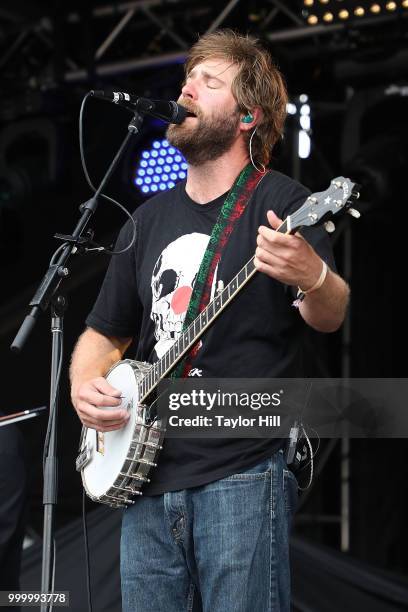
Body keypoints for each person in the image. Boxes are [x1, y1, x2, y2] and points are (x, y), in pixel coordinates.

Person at [70, 29, 349, 612]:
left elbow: (332, 314)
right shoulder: (146, 221)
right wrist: (85, 385)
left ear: (248, 115)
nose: (188, 89)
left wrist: (311, 275)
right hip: (145, 478)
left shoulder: (286, 202)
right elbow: (105, 330)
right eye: (187, 79)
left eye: (209, 81)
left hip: (241, 467)